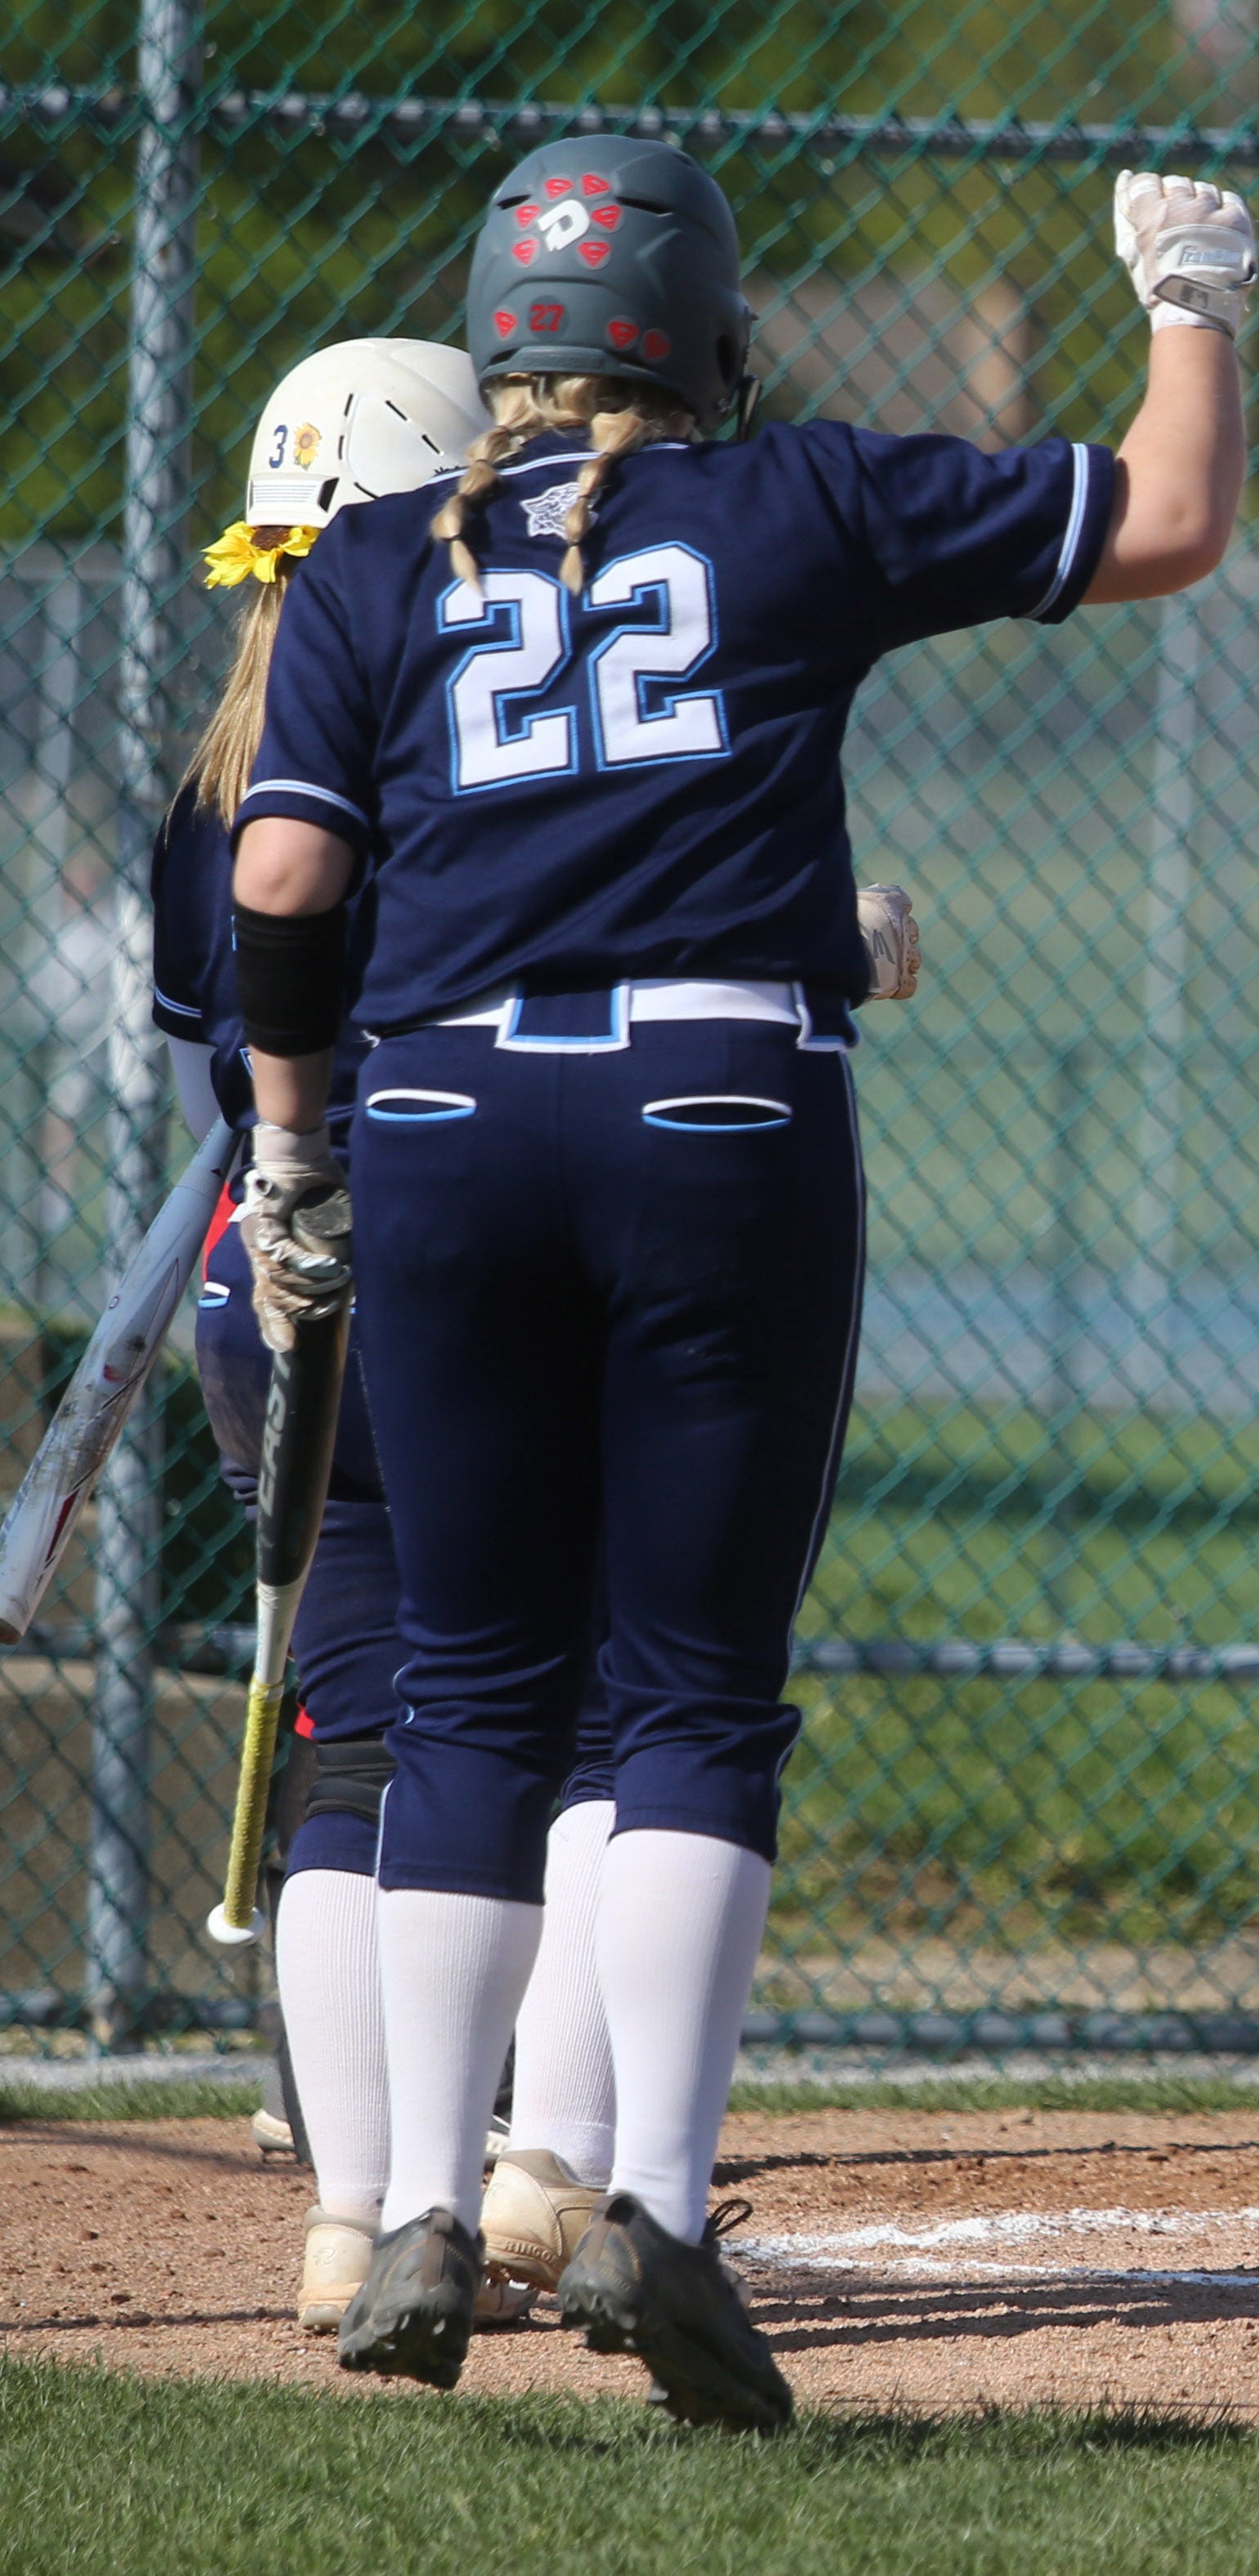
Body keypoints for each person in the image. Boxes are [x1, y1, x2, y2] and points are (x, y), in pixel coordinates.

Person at [230, 140, 1252, 2423]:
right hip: (717, 1100)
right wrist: (1192, 290)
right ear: (703, 331)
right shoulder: (794, 500)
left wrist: (292, 1146)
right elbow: (1169, 518)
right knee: (688, 1687)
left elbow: (289, 866)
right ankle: (656, 2220)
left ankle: (404, 2206)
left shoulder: (382, 558)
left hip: (440, 1120)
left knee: (468, 1689)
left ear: (498, 328)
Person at [159, 338, 627, 2331]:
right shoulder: (481, 740)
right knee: (619, 1721)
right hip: (481, 1255)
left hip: (262, 1289)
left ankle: (357, 2216)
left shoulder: (207, 789)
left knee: (344, 1752)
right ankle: (544, 2174)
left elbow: (229, 1053)